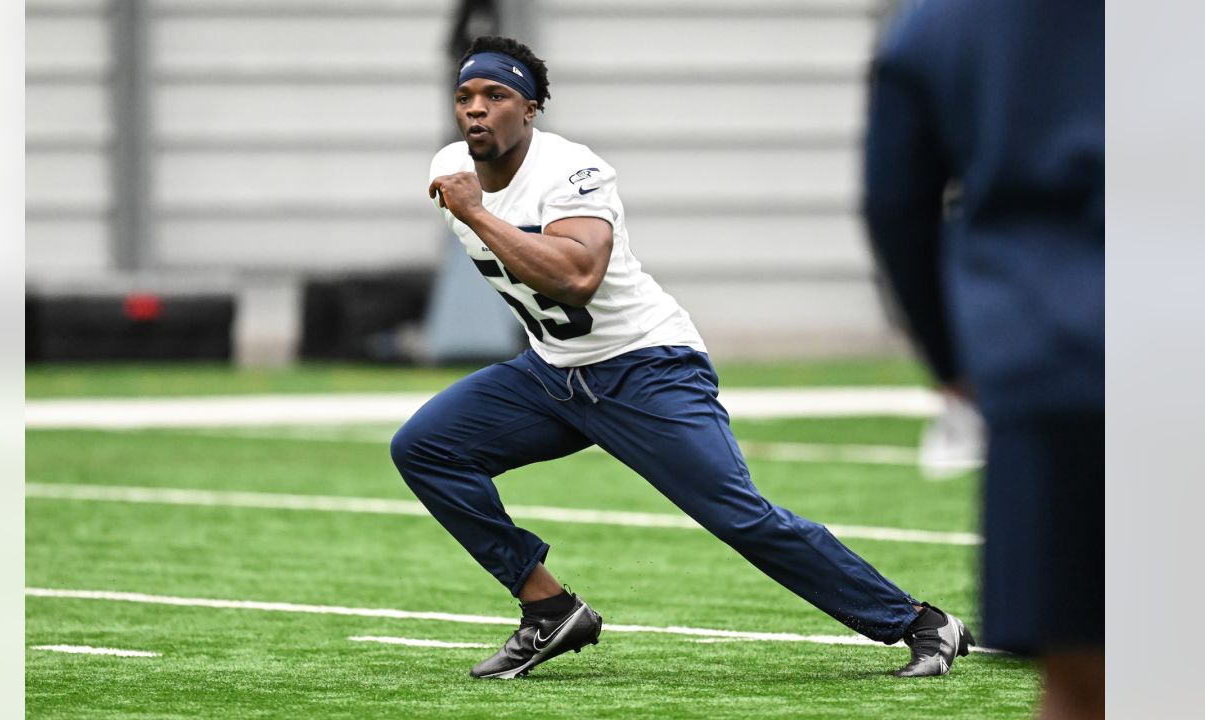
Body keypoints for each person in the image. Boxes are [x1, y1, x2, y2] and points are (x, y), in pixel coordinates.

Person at [392, 35, 971, 681]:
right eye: (465, 96)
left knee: (738, 515)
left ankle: (920, 622)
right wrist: (474, 208)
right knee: (425, 447)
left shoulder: (572, 170)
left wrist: (476, 214)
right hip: (552, 372)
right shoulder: (449, 166)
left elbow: (578, 276)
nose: (476, 109)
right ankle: (548, 608)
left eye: (495, 95)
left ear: (529, 110)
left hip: (646, 367)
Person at [863, 2, 1103, 718]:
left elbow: (895, 202)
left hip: (1050, 352)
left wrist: (956, 360)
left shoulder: (941, 21)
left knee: (1080, 684)